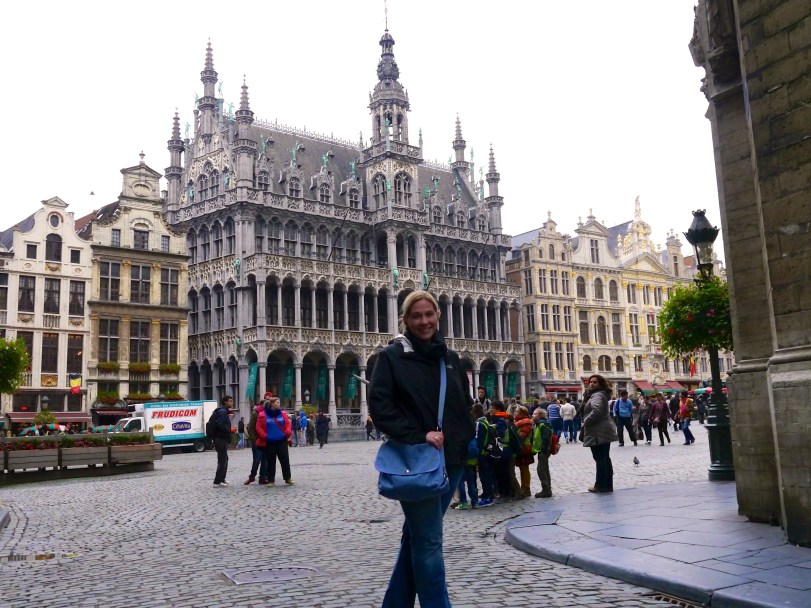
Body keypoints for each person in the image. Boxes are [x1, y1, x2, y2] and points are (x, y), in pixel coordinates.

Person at [369, 290, 474, 608]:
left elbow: (463, 403)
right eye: (416, 316)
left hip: (453, 460)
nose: (424, 321)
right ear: (405, 320)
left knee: (416, 537)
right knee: (429, 542)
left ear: (438, 315)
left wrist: (466, 436)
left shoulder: (451, 358)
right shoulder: (391, 357)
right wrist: (419, 434)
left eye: (429, 314)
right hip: (418, 461)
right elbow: (381, 408)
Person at [582, 375, 618, 493]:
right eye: (590, 382)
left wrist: (586, 421)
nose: (591, 384)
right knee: (604, 458)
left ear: (600, 384)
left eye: (594, 382)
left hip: (598, 431)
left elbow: (597, 411)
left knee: (600, 458)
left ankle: (601, 485)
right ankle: (607, 484)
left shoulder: (597, 395)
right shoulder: (601, 394)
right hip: (603, 430)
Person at [256, 397, 295, 485]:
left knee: (284, 460)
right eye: (277, 402)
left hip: (281, 441)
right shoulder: (263, 415)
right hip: (270, 442)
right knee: (271, 461)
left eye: (279, 402)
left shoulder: (282, 414)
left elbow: (287, 425)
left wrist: (287, 433)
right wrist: (265, 436)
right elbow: (259, 428)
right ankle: (271, 480)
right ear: (272, 403)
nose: (279, 404)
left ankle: (287, 478)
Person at [473, 403, 495, 508]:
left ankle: (487, 497)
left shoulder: (479, 423)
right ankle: (489, 494)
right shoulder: (485, 420)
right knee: (487, 475)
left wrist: (477, 452)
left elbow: (479, 440)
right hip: (488, 452)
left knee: (484, 476)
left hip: (483, 453)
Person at [210, 395, 233, 487]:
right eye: (230, 401)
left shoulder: (221, 411)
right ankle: (217, 481)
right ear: (225, 402)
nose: (232, 403)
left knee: (224, 459)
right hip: (220, 438)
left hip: (219, 438)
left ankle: (221, 479)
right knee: (222, 459)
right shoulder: (222, 412)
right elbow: (221, 424)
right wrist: (229, 430)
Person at [531, 407, 553, 498]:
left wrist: (543, 449)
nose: (532, 415)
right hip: (542, 450)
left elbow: (545, 437)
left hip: (543, 450)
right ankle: (547, 488)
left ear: (539, 415)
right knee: (544, 468)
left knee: (541, 469)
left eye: (534, 414)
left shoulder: (542, 424)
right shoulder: (540, 424)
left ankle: (546, 489)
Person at [244, 402, 268, 485]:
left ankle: (262, 477)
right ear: (261, 405)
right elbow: (250, 427)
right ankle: (252, 477)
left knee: (264, 461)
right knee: (257, 460)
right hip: (257, 441)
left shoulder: (267, 413)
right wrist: (253, 440)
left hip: (265, 440)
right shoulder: (255, 413)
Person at [513, 405, 534, 498]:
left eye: (517, 412)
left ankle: (526, 488)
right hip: (522, 448)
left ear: (522, 413)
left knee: (524, 469)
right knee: (522, 468)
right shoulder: (518, 422)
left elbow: (522, 436)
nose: (515, 413)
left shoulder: (525, 423)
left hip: (525, 449)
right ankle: (524, 487)